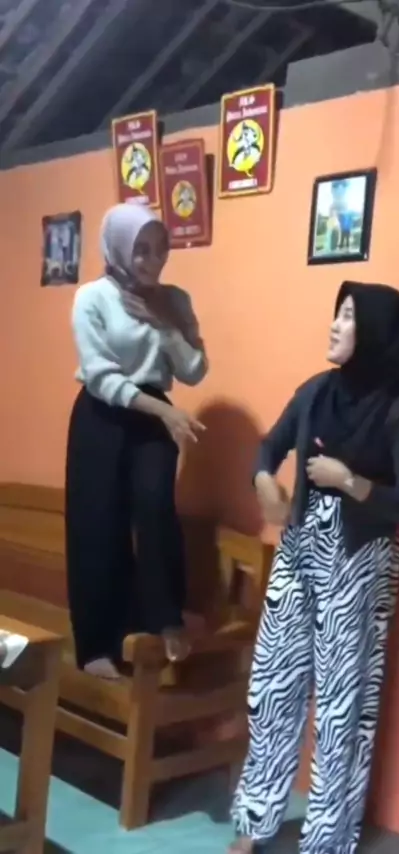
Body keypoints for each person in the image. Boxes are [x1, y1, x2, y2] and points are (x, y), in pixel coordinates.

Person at [229, 281, 399, 854]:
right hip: (299, 554)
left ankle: (326, 838)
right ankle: (254, 821)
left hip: (358, 565)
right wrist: (264, 481)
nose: (335, 325)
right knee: (271, 687)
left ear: (375, 335)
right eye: (336, 314)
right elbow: (268, 448)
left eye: (348, 317)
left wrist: (351, 482)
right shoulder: (315, 391)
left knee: (341, 708)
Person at [66, 203, 207, 680]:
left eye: (160, 249)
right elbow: (101, 377)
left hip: (153, 413)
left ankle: (163, 617)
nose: (152, 260)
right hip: (101, 414)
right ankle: (96, 646)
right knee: (98, 523)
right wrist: (165, 412)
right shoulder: (92, 298)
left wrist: (166, 325)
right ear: (120, 249)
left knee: (155, 508)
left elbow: (194, 370)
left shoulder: (175, 299)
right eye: (140, 250)